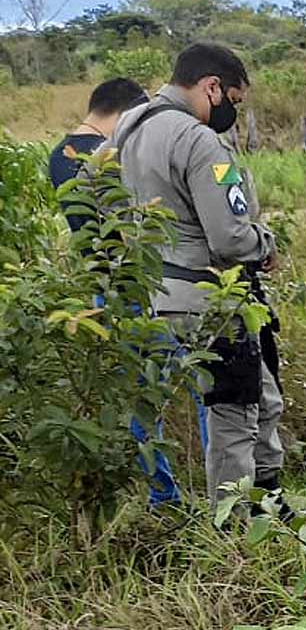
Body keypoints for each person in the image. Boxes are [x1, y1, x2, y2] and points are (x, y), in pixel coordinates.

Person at [92, 44, 290, 518]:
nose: (231, 114)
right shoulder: (198, 140)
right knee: (234, 413)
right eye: (233, 102)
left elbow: (91, 186)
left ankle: (270, 505)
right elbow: (229, 237)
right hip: (211, 298)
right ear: (212, 87)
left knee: (261, 397)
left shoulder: (129, 126)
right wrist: (264, 244)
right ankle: (236, 528)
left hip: (160, 295)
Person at [50, 78, 195, 509]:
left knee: (142, 401)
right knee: (198, 388)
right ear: (123, 112)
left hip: (106, 292)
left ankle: (162, 495)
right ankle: (180, 495)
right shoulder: (100, 157)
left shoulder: (59, 156)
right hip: (139, 289)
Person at [49, 78, 149, 232]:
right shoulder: (109, 155)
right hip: (122, 253)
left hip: (90, 254)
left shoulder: (58, 155)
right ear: (130, 114)